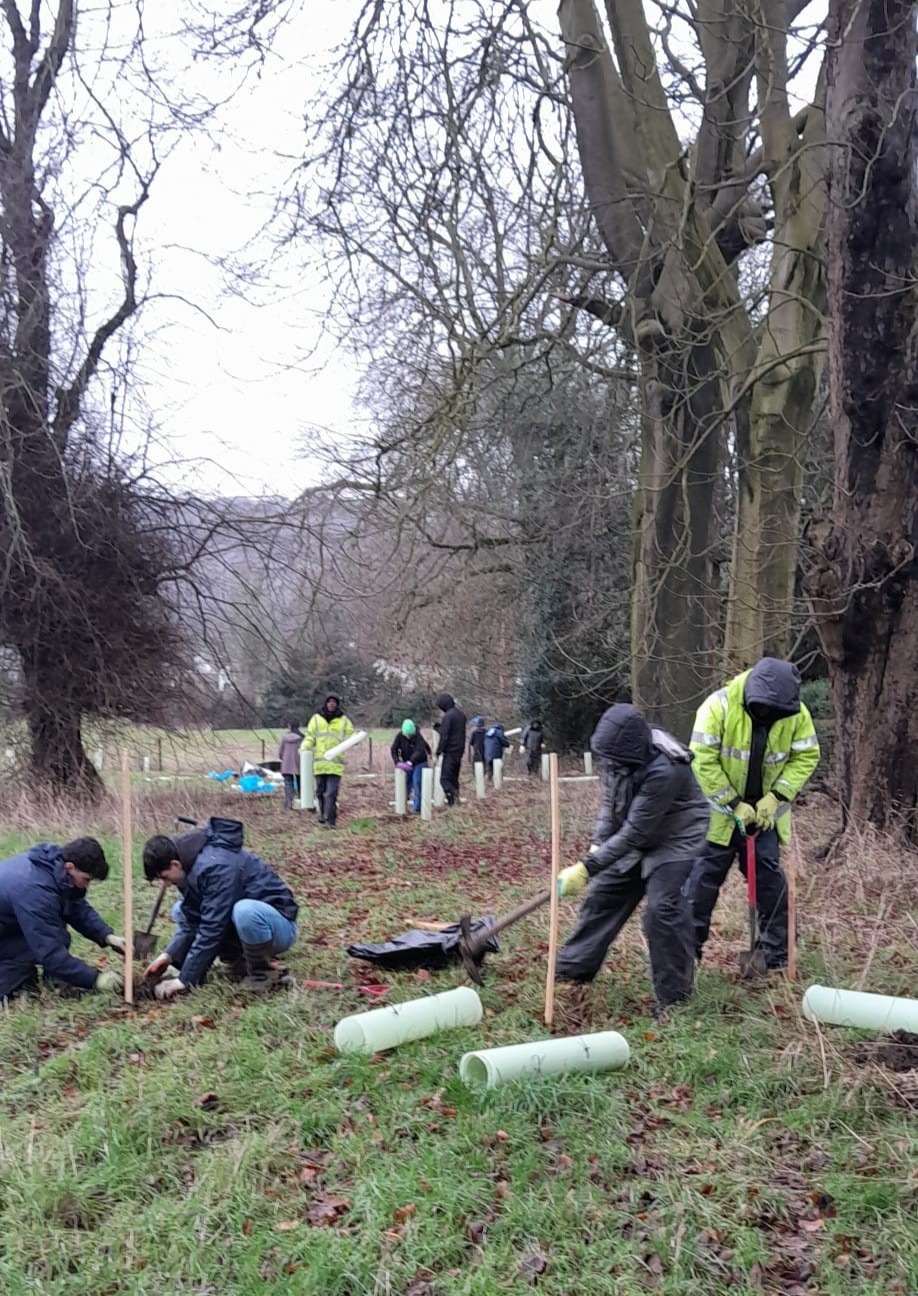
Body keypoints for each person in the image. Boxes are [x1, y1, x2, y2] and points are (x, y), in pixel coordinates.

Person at [554, 704, 708, 1022]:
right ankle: (571, 973)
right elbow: (610, 808)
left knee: (661, 911)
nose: (607, 765)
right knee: (602, 894)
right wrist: (597, 848)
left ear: (631, 750)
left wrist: (586, 867)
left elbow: (636, 831)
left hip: (676, 840)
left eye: (612, 759)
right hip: (638, 835)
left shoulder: (667, 768)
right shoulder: (617, 758)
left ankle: (674, 998)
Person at [688, 657, 819, 972]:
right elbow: (701, 759)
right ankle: (684, 958)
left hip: (764, 818)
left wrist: (776, 798)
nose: (769, 717)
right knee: (700, 886)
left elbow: (807, 756)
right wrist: (734, 804)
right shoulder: (717, 707)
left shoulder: (795, 713)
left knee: (769, 882)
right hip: (718, 818)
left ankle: (777, 959)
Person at [142, 816, 298, 996]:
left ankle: (262, 972)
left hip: (279, 927)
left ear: (175, 864)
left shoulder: (216, 867)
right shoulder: (189, 866)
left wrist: (185, 980)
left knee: (244, 911)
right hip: (244, 928)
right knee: (180, 910)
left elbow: (211, 927)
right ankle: (238, 959)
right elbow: (194, 921)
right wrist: (168, 956)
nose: (167, 884)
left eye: (165, 877)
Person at [0, 837, 125, 1000]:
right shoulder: (36, 891)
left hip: (7, 924)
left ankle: (52, 979)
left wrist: (106, 935)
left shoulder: (54, 865)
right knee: (18, 982)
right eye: (86, 880)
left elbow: (76, 905)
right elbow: (49, 951)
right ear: (70, 867)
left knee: (55, 934)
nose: (87, 886)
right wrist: (95, 979)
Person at [302, 694, 355, 828]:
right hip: (320, 763)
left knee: (330, 793)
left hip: (335, 764)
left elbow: (350, 737)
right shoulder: (316, 719)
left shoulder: (344, 720)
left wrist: (356, 739)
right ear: (325, 703)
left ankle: (331, 820)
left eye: (334, 702)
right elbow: (310, 737)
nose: (331, 704)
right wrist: (304, 749)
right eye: (329, 702)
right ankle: (322, 814)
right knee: (320, 792)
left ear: (337, 704)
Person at [391, 719, 431, 813]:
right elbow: (394, 749)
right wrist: (397, 761)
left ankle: (417, 808)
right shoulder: (400, 736)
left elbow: (419, 750)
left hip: (420, 762)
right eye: (406, 735)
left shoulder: (418, 736)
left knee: (417, 782)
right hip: (405, 763)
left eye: (410, 735)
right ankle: (402, 805)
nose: (408, 737)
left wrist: (411, 762)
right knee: (406, 783)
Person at [435, 692, 467, 806]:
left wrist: (438, 751)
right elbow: (455, 733)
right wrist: (440, 728)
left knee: (444, 779)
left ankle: (452, 798)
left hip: (450, 752)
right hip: (459, 752)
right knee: (454, 778)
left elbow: (445, 736)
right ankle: (455, 802)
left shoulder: (448, 716)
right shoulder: (461, 715)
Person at [278, 719, 303, 810]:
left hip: (287, 764)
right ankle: (302, 801)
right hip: (300, 763)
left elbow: (280, 752)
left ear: (289, 726)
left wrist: (282, 758)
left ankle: (288, 803)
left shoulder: (285, 737)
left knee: (288, 783)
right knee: (301, 783)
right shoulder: (302, 738)